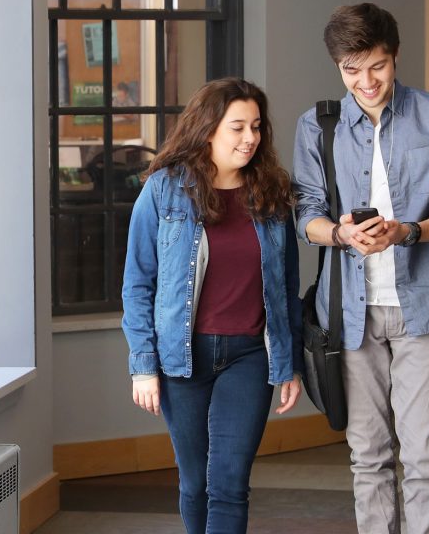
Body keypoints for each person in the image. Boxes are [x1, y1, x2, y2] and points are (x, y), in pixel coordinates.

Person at [292, 3, 429, 534]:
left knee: (426, 458)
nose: (366, 81)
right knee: (368, 455)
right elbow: (307, 213)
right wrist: (342, 234)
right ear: (338, 67)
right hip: (350, 311)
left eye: (377, 66)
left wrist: (408, 231)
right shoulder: (318, 126)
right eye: (352, 70)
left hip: (423, 305)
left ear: (394, 57)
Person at [121, 77, 304, 534]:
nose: (250, 139)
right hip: (182, 358)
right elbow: (137, 283)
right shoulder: (164, 191)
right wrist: (143, 365)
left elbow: (286, 287)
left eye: (257, 127)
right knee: (195, 483)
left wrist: (289, 361)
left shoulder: (273, 193)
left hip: (249, 356)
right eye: (238, 127)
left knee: (229, 483)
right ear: (208, 130)